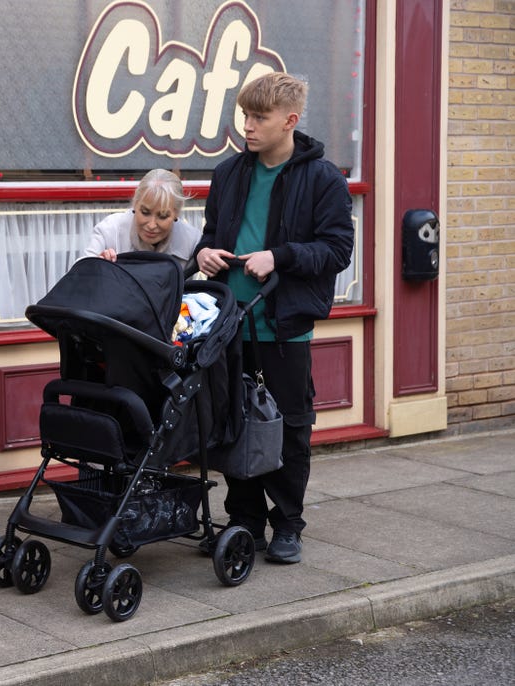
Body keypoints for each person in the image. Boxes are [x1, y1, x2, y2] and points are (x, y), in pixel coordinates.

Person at [195, 72, 353, 564]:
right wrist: (204, 256)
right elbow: (209, 235)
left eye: (259, 117)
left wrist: (279, 256)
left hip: (285, 326)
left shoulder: (323, 177)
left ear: (290, 120)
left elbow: (337, 249)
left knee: (288, 428)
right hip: (228, 325)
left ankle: (287, 524)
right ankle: (244, 521)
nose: (248, 125)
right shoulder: (229, 173)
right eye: (245, 115)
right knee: (233, 425)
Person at [82, 168, 200, 270]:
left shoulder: (192, 242)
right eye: (145, 212)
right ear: (135, 204)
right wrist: (96, 267)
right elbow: (78, 276)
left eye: (162, 216)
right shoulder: (109, 230)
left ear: (177, 214)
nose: (152, 225)